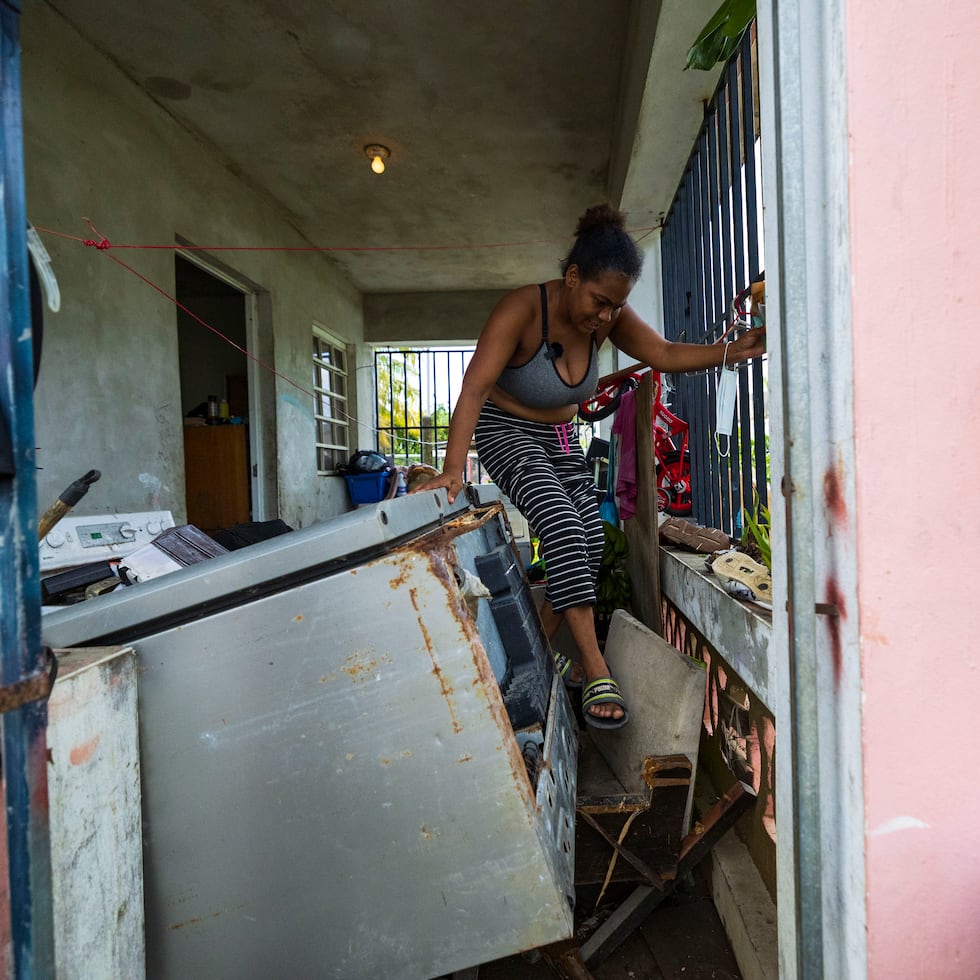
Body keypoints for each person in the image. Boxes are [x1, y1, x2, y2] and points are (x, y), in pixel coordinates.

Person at [418, 203, 765, 729]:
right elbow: (474, 386)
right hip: (504, 429)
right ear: (572, 276)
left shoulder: (610, 318)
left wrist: (729, 353)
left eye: (615, 307)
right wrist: (451, 468)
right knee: (558, 520)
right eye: (599, 302)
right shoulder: (522, 309)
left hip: (557, 434)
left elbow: (665, 353)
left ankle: (532, 642)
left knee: (592, 534)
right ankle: (593, 664)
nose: (604, 317)